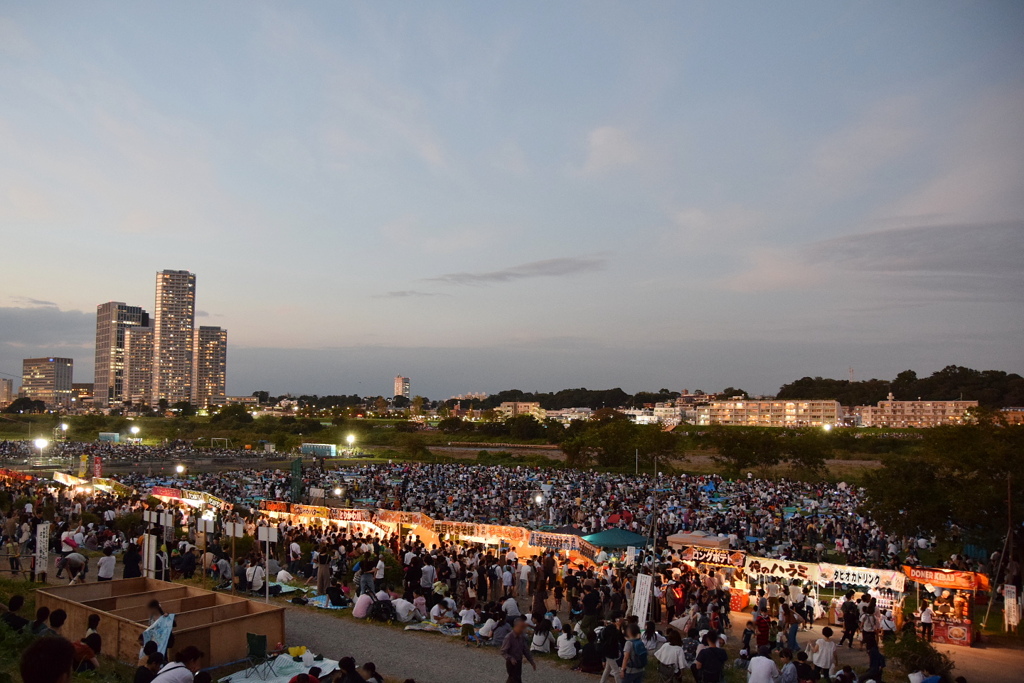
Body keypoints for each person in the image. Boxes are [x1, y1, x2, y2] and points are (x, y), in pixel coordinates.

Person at [500, 616, 536, 683]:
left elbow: (525, 650)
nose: (523, 629)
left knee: (514, 679)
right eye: (521, 627)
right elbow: (503, 651)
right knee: (514, 679)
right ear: (516, 627)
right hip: (511, 662)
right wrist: (510, 658)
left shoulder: (521, 637)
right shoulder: (509, 637)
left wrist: (531, 661)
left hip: (518, 661)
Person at [599, 615, 625, 683]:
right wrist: (618, 628)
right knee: (616, 671)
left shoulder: (611, 628)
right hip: (609, 651)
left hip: (610, 651)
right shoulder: (611, 629)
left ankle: (602, 681)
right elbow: (616, 638)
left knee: (607, 669)